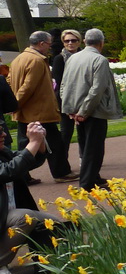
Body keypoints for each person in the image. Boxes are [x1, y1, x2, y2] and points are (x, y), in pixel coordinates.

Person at [8, 31, 78, 184]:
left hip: (26, 112)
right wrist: (15, 103)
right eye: (49, 44)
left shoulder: (18, 59)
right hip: (39, 112)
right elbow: (28, 87)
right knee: (55, 143)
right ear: (41, 44)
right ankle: (61, 173)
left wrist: (13, 103)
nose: (50, 47)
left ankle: (21, 175)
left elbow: (9, 81)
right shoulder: (37, 60)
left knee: (24, 144)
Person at [59, 28, 123, 191]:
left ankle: (93, 177)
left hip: (76, 109)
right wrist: (84, 111)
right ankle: (87, 183)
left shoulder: (73, 58)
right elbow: (97, 89)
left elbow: (64, 85)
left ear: (85, 41)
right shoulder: (99, 60)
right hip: (93, 111)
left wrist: (70, 109)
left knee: (86, 145)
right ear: (101, 43)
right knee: (94, 148)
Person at [0, 120, 53, 274]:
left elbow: (27, 161)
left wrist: (40, 140)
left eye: (2, 130)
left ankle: (47, 262)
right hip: (6, 218)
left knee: (57, 224)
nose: (4, 135)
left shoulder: (3, 152)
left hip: (5, 216)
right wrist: (34, 142)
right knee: (25, 218)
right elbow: (9, 170)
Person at [51, 28, 82, 151]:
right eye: (67, 41)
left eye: (73, 40)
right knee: (66, 132)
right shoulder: (60, 59)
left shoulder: (84, 57)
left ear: (79, 42)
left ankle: (84, 159)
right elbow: (59, 82)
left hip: (82, 98)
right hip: (65, 99)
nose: (70, 43)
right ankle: (63, 161)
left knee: (83, 131)